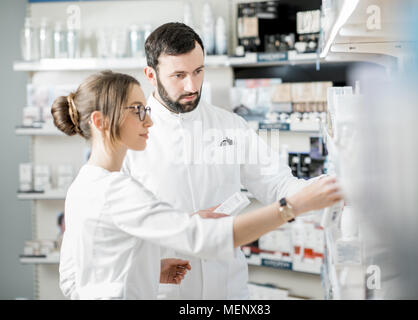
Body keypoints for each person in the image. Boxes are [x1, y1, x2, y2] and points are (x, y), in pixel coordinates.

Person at [53, 70, 342, 300]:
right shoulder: (116, 190)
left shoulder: (83, 185)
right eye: (138, 110)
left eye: (198, 70)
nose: (149, 121)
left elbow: (75, 277)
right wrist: (292, 207)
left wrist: (146, 271)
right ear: (100, 121)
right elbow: (200, 238)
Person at [122, 22, 334, 300]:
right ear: (151, 75)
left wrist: (331, 188)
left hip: (227, 289)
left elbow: (279, 185)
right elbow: (116, 232)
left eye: (198, 71)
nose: (192, 85)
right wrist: (182, 227)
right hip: (165, 291)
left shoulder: (229, 125)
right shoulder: (127, 137)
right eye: (179, 75)